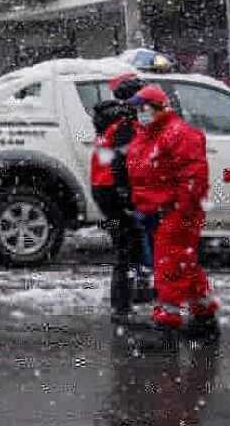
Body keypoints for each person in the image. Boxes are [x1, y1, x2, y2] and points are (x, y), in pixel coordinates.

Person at [126, 84, 218, 333]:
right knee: (182, 261)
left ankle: (168, 319)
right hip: (160, 210)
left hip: (175, 211)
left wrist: (182, 210)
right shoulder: (148, 134)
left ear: (158, 108)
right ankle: (204, 313)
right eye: (137, 109)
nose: (139, 113)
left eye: (143, 108)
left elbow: (193, 176)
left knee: (169, 264)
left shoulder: (177, 134)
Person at [89, 73, 149, 321]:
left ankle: (129, 297)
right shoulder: (126, 124)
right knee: (127, 246)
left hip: (103, 189)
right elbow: (121, 162)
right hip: (114, 191)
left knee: (126, 242)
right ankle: (121, 305)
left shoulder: (112, 119)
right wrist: (126, 197)